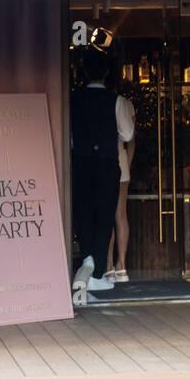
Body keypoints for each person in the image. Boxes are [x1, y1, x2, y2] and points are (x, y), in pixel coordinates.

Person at [70, 51, 122, 294]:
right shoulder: (116, 101)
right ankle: (97, 272)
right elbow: (129, 133)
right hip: (107, 163)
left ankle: (86, 263)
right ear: (107, 73)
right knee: (104, 218)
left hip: (81, 163)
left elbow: (69, 136)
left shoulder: (73, 99)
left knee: (83, 216)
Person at [105, 79, 136, 282]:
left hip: (112, 160)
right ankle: (121, 266)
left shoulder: (113, 102)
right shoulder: (125, 103)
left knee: (110, 214)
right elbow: (131, 139)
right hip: (121, 159)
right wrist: (127, 163)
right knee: (119, 214)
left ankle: (110, 265)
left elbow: (131, 139)